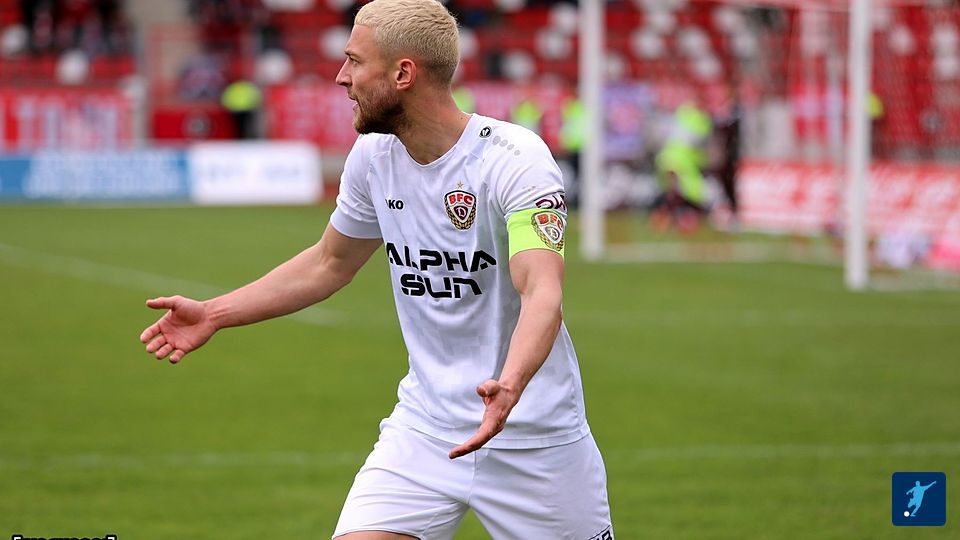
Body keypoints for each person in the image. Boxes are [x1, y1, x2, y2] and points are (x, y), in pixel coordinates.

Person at [138, 1, 614, 538]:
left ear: (403, 74)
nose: (341, 77)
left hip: (534, 438)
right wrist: (215, 313)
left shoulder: (515, 158)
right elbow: (329, 263)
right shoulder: (374, 157)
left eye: (355, 61)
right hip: (423, 431)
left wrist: (509, 385)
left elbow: (542, 290)